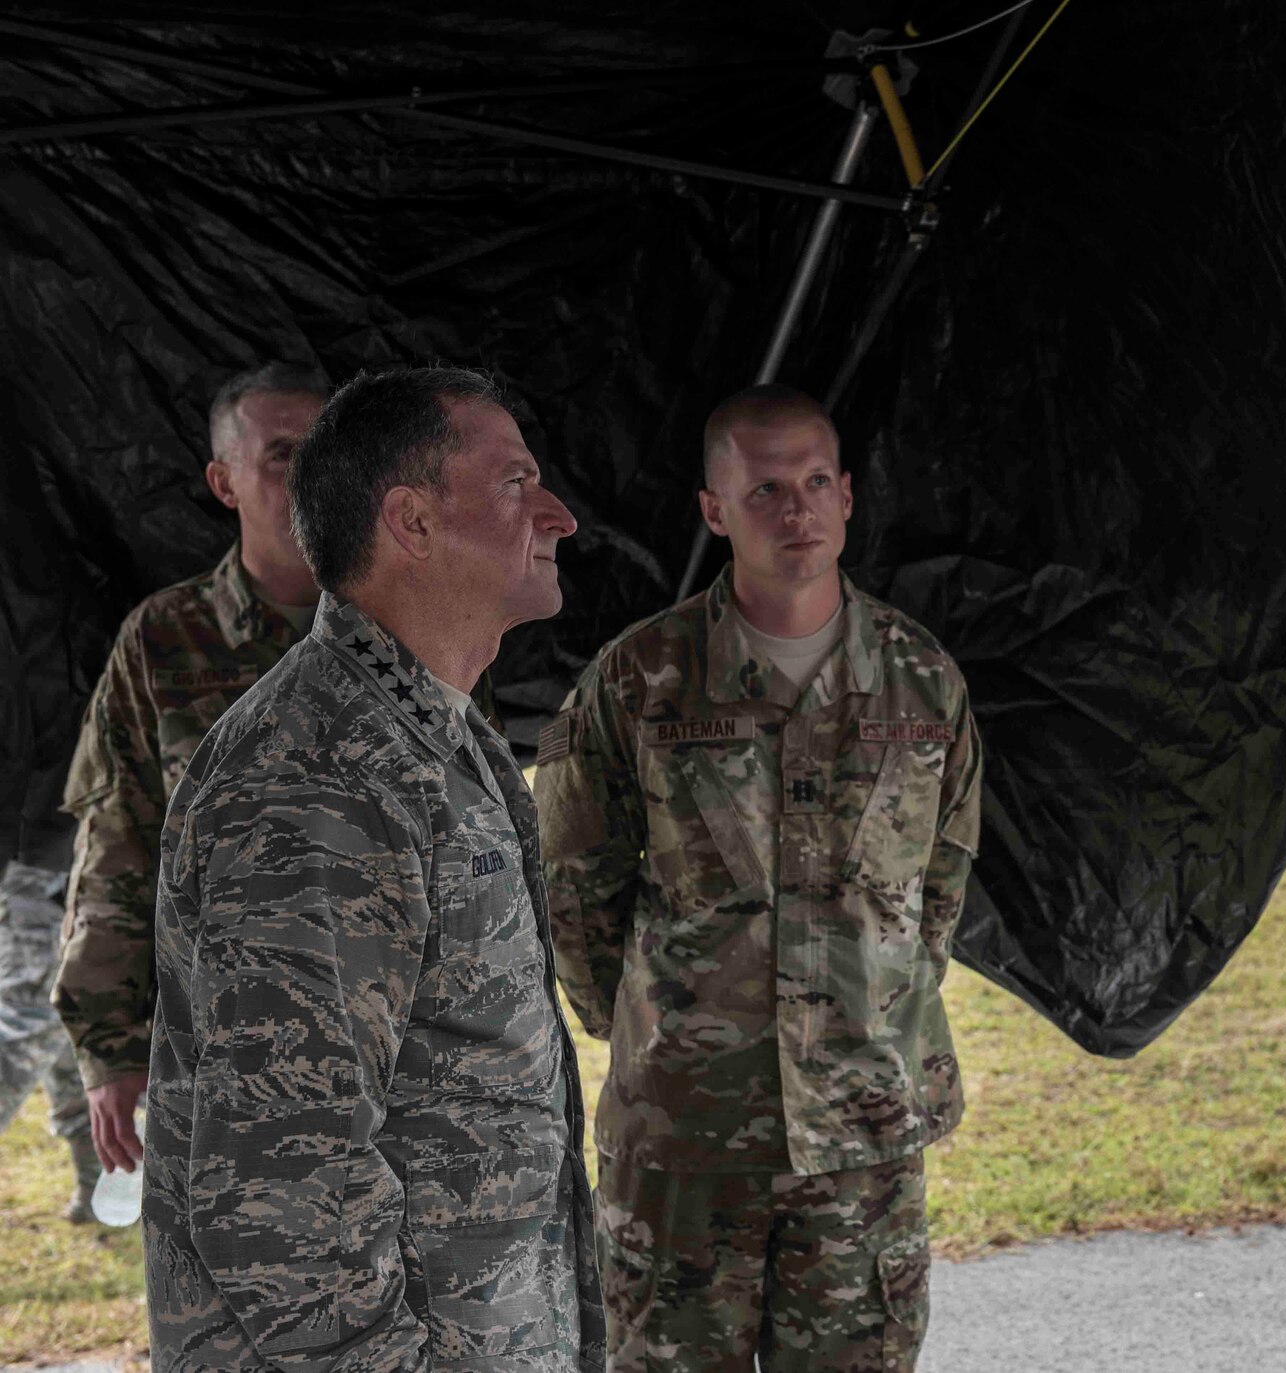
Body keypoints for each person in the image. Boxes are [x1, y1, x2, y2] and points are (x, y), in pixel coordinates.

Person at [144, 367, 604, 1368]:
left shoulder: (427, 733)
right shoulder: (319, 775)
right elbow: (281, 1189)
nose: (559, 516)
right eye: (516, 483)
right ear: (412, 521)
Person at [535, 384, 982, 1372]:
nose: (797, 511)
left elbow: (937, 887)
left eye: (817, 482)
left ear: (850, 495)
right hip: (686, 1140)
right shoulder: (638, 679)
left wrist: (864, 1009)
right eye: (767, 489)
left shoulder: (919, 678)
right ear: (713, 509)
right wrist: (668, 1031)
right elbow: (574, 888)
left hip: (860, 1136)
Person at [54, 361, 327, 1181]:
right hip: (220, 1068)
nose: (314, 474)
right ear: (224, 480)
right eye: (283, 454)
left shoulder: (416, 628)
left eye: (330, 448)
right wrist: (109, 1046)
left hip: (404, 1067)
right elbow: (118, 848)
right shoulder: (164, 643)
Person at [0, 813, 93, 1220]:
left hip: (51, 864)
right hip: (46, 868)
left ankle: (101, 1191)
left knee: (62, 1029)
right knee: (30, 1025)